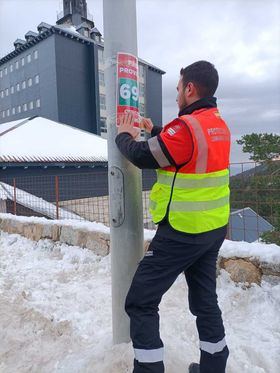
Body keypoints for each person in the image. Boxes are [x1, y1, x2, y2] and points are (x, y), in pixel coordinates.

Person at [115, 60, 231, 373]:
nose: (177, 94)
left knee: (140, 301)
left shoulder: (186, 128)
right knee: (204, 299)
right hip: (213, 227)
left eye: (178, 88)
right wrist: (154, 128)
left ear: (190, 88)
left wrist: (124, 135)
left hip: (183, 231)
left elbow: (142, 155)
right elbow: (182, 148)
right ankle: (214, 365)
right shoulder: (216, 122)